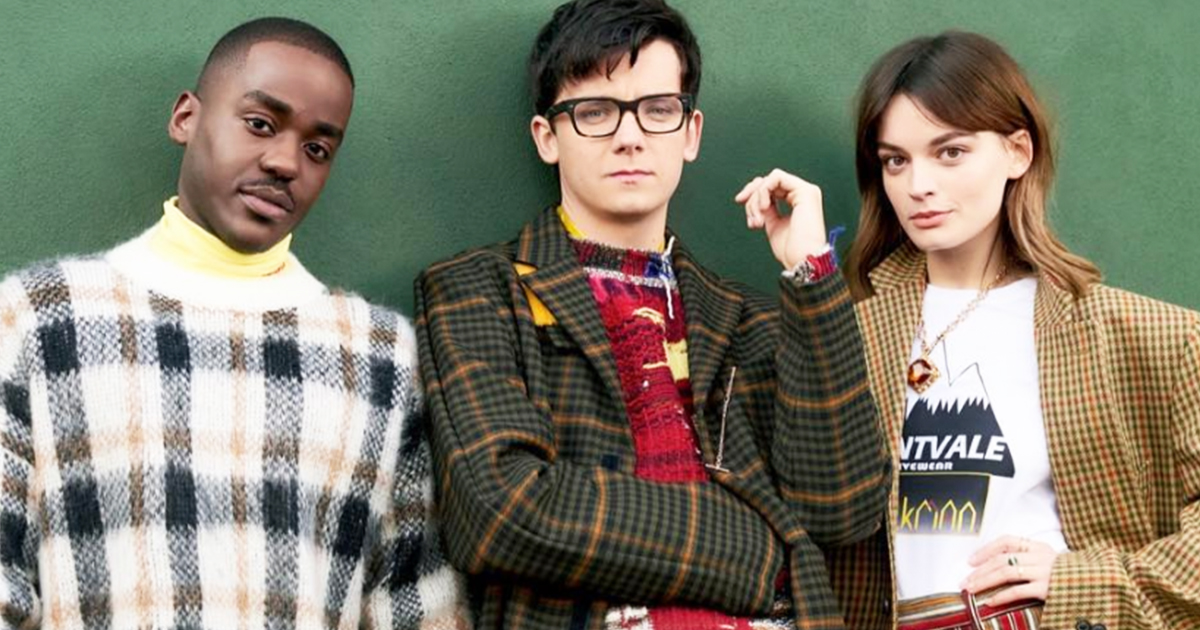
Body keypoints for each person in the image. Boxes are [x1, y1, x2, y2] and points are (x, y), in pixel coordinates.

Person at [414, 1, 890, 628]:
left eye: (658, 110)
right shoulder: (478, 291)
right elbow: (502, 511)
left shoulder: (746, 319)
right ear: (547, 137)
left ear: (690, 133)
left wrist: (812, 276)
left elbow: (842, 509)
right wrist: (755, 551)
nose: (630, 136)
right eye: (595, 112)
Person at [0, 17, 465, 629]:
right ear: (186, 118)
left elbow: (417, 604)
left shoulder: (379, 354)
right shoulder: (41, 318)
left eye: (317, 149)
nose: (285, 162)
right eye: (260, 124)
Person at [749, 30, 1199, 629]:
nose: (918, 185)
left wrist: (1078, 581)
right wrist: (811, 273)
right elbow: (816, 514)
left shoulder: (1141, 335)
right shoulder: (845, 333)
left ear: (1018, 152)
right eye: (896, 160)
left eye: (951, 152)